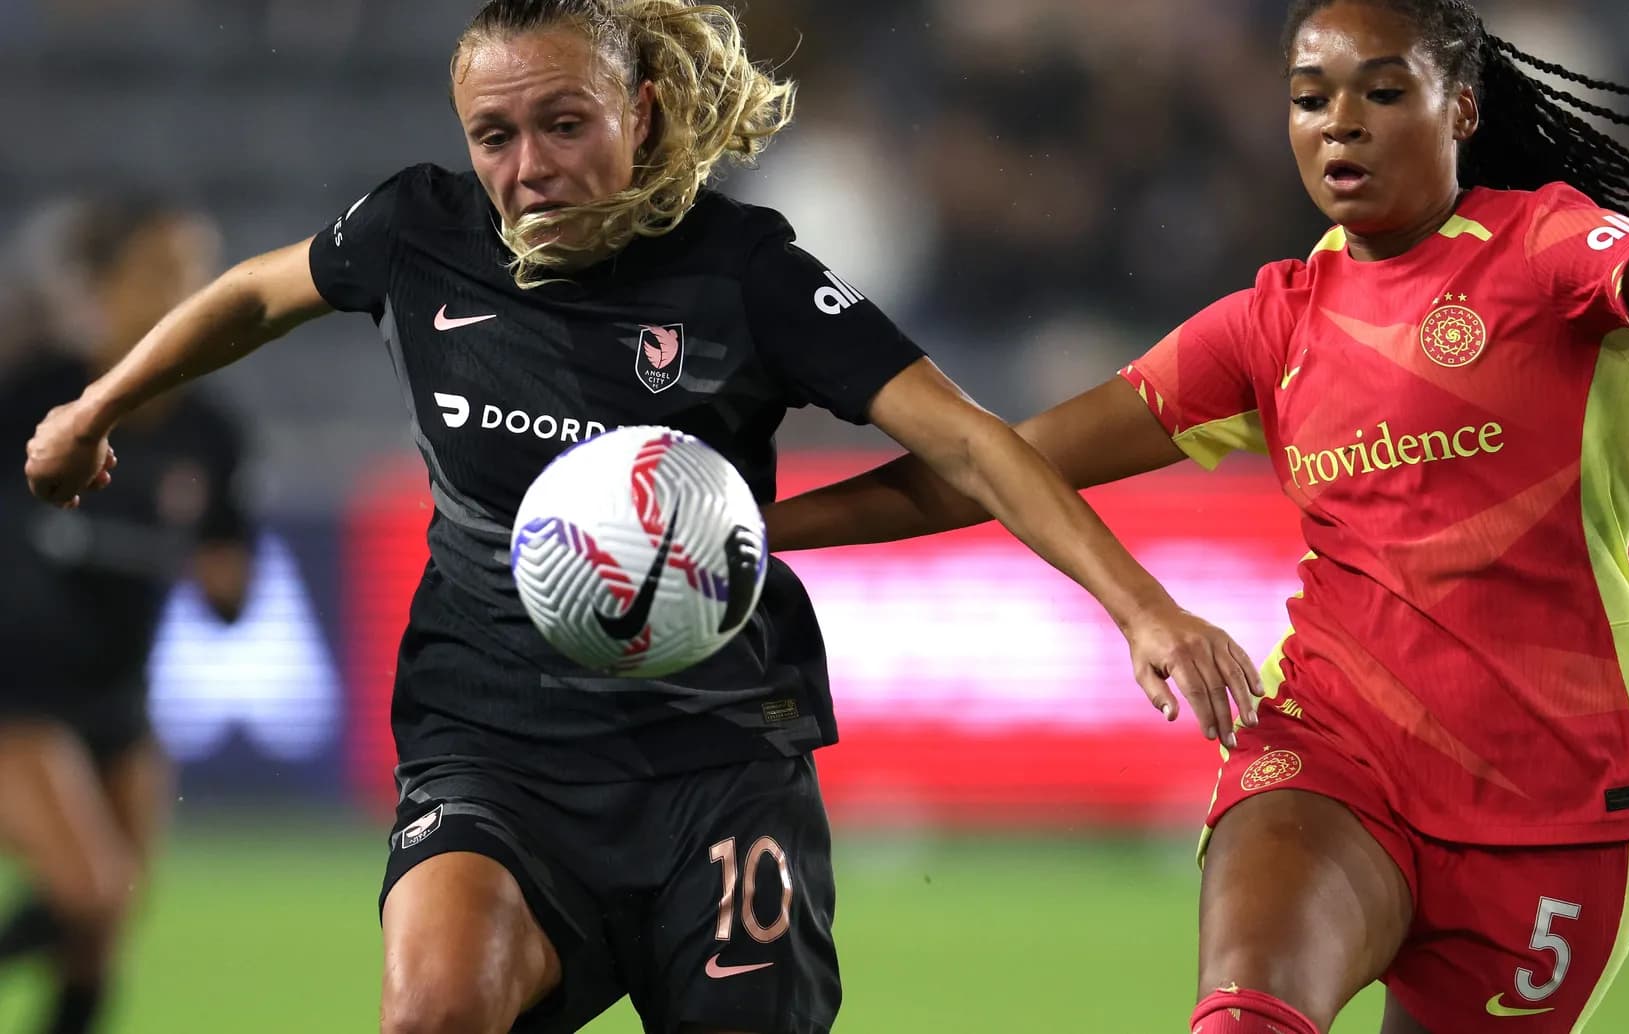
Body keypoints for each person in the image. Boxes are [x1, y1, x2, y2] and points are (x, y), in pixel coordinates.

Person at [22, 2, 1260, 1033]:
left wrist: (1142, 608)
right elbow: (250, 293)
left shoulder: (746, 271)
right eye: (493, 136)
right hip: (490, 746)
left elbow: (972, 442)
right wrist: (100, 406)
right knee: (431, 1010)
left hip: (716, 761)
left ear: (644, 111)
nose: (527, 167)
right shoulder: (422, 229)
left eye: (565, 123)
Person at [760, 2, 1629, 1032]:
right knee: (1246, 1008)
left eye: (1384, 91)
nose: (1340, 122)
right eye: (1310, 97)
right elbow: (997, 464)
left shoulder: (1544, 246)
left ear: (1461, 109)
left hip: (1558, 798)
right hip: (1331, 751)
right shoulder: (1270, 323)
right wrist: (765, 524)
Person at [0, 195, 253, 1034]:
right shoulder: (31, 396)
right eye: (160, 272)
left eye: (196, 272)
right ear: (100, 288)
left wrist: (226, 582)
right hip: (20, 696)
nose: (186, 291)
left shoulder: (214, 433)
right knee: (90, 889)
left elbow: (231, 588)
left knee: (105, 924)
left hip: (121, 699)